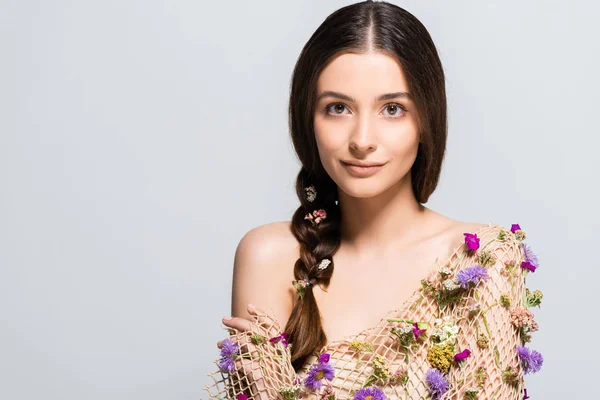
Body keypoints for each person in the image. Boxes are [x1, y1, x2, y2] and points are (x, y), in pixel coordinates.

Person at [204, 1, 544, 399]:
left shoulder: (481, 261)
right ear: (307, 118)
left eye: (393, 109)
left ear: (426, 121)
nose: (362, 140)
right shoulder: (269, 257)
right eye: (337, 108)